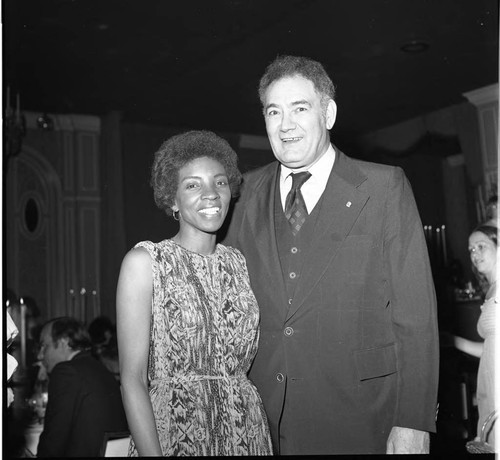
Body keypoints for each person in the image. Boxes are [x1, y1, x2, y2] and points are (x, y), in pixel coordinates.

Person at [222, 55, 439, 455]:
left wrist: (413, 421)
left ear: (329, 113)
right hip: (260, 424)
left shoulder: (384, 187)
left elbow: (416, 316)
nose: (285, 125)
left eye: (299, 108)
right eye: (274, 111)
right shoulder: (241, 194)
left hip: (360, 417)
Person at [116, 130, 273, 456]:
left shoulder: (238, 264)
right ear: (172, 199)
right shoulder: (145, 263)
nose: (211, 194)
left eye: (219, 182)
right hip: (176, 435)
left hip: (246, 434)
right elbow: (132, 380)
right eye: (192, 185)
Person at [36, 317, 128, 457]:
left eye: (44, 346)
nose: (40, 355)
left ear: (64, 342)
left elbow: (54, 440)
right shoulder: (97, 368)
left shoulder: (66, 372)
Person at [454, 224, 498, 451]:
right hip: (489, 386)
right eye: (471, 249)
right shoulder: (491, 290)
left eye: (482, 246)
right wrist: (452, 341)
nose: (475, 253)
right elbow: (490, 348)